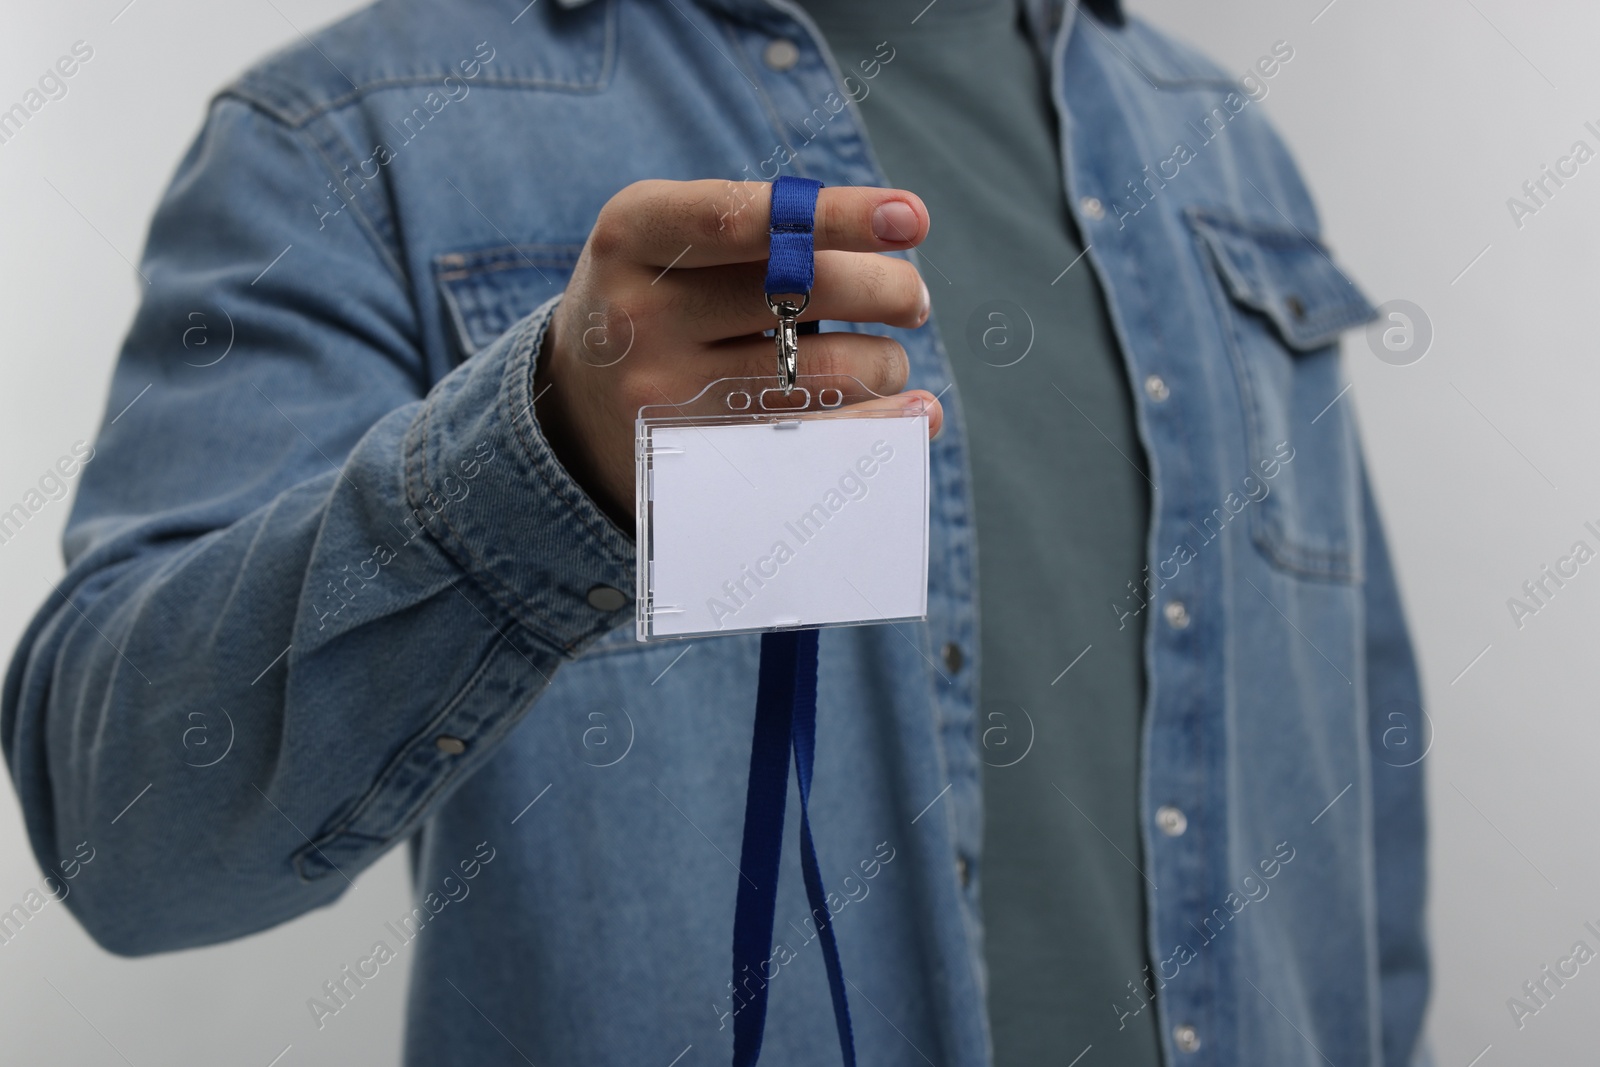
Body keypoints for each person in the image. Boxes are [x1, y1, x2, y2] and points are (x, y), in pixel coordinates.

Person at [1, 0, 1430, 1064]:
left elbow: (1359, 788)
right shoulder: (353, 134)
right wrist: (537, 452)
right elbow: (121, 837)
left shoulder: (1223, 142)